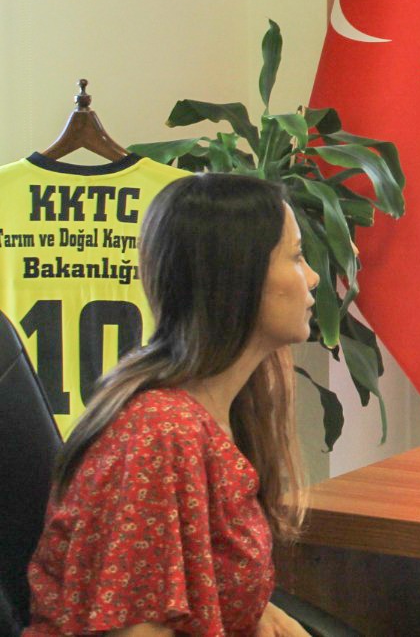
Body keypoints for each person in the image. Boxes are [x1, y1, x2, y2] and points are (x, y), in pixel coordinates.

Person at [26, 173, 319, 637]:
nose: (313, 277)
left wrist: (254, 609)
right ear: (236, 277)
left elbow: (205, 573)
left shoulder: (225, 404)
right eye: (297, 257)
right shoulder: (160, 432)